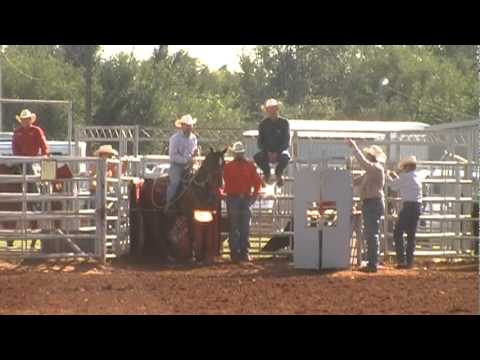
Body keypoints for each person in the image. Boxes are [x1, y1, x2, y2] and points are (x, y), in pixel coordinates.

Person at [347, 139, 386, 273]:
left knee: (371, 233)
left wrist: (355, 148)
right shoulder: (372, 171)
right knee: (371, 233)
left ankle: (372, 263)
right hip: (371, 202)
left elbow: (363, 165)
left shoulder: (375, 169)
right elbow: (356, 180)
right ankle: (372, 261)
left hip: (372, 202)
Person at [223, 142, 262, 263]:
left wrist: (253, 196)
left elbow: (257, 183)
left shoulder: (231, 167)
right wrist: (254, 196)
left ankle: (240, 251)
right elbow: (257, 183)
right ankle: (237, 252)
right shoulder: (244, 166)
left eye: (240, 153)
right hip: (237, 198)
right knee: (237, 226)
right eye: (238, 153)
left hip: (240, 198)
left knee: (241, 226)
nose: (239, 155)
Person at [386, 156, 422, 269]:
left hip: (408, 206)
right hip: (417, 206)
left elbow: (393, 186)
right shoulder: (417, 177)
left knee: (398, 232)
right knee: (411, 235)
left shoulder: (405, 177)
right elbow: (401, 183)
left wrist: (388, 176)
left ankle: (401, 260)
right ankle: (409, 261)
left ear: (407, 167)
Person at [165, 114, 199, 213]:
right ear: (182, 126)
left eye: (191, 125)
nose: (189, 127)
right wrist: (186, 160)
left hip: (191, 165)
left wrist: (195, 155)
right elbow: (173, 156)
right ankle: (169, 203)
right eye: (187, 125)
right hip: (177, 166)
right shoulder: (174, 139)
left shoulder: (193, 138)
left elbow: (193, 152)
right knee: (175, 182)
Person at [253, 99, 290, 187]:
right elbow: (260, 142)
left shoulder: (284, 123)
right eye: (269, 110)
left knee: (285, 157)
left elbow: (286, 141)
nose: (272, 112)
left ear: (277, 109)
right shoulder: (263, 124)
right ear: (266, 111)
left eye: (274, 109)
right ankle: (267, 173)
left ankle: (278, 174)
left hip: (280, 152)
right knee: (257, 157)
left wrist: (277, 151)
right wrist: (267, 151)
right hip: (267, 152)